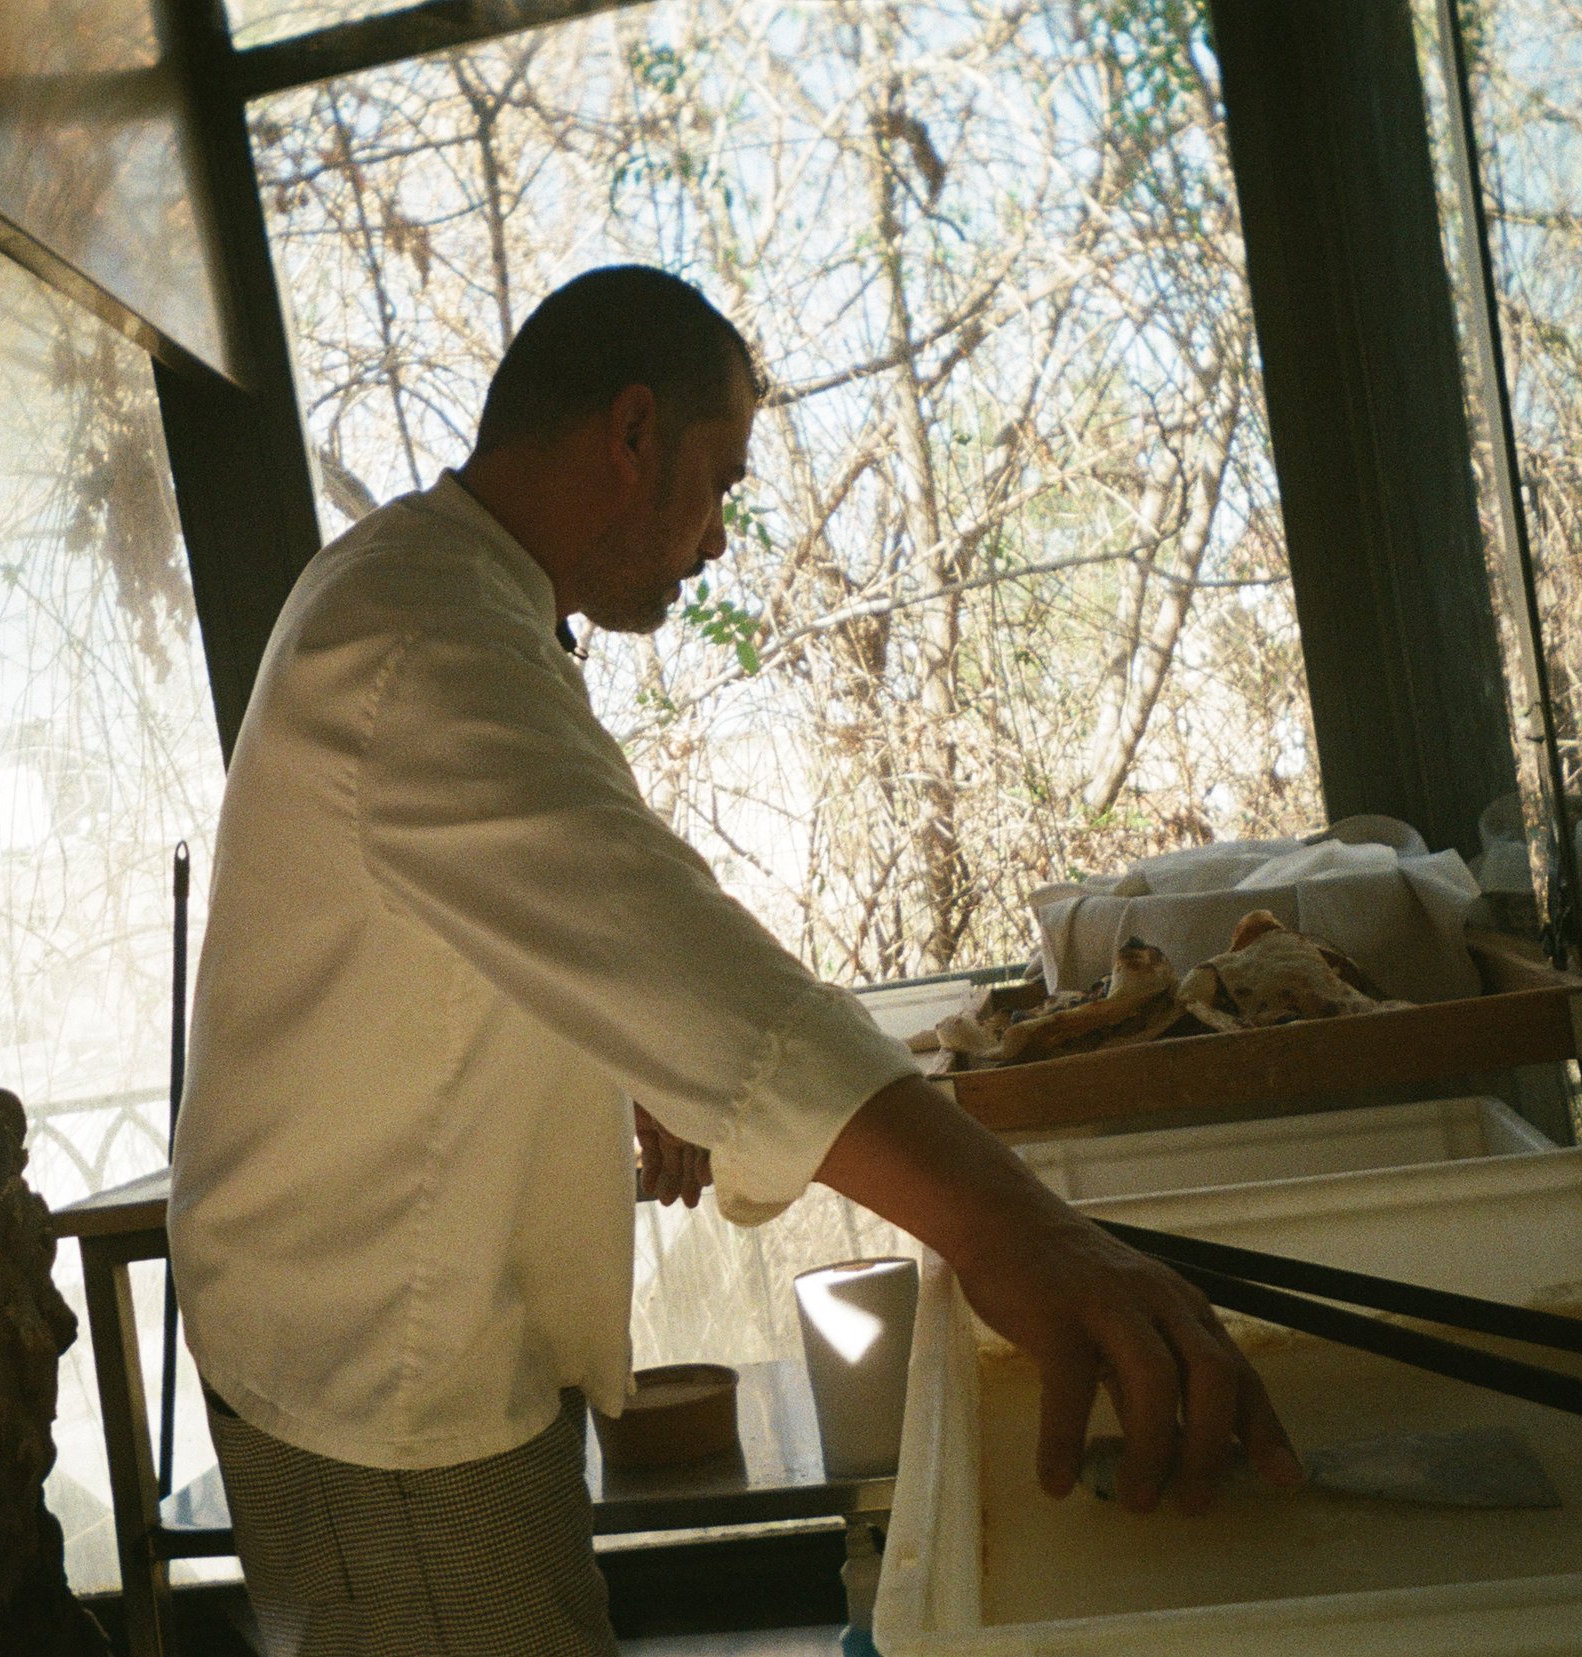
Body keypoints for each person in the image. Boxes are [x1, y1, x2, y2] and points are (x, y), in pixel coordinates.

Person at [168, 265, 1301, 1657]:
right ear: (631, 432)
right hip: (379, 1384)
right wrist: (1023, 1230)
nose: (716, 538)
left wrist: (636, 1059)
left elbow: (511, 931)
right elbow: (667, 938)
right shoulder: (420, 641)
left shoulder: (441, 592)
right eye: (717, 479)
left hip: (386, 1348)